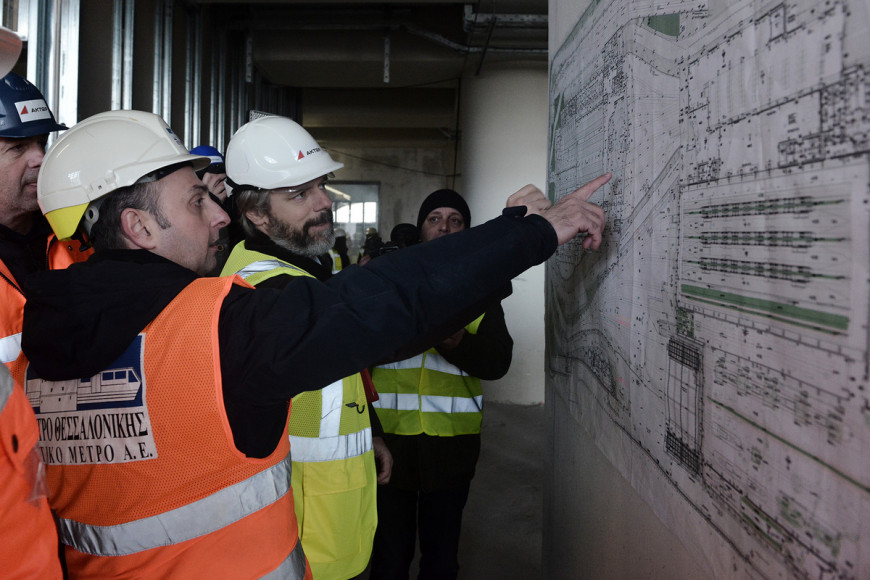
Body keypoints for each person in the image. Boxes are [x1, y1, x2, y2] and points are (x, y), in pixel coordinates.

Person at [22, 109, 608, 578]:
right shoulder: (215, 329)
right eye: (197, 201)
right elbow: (383, 301)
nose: (219, 216)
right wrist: (528, 234)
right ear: (140, 227)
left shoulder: (36, 351)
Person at [220, 115, 391, 580]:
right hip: (302, 539)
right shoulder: (268, 293)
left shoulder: (302, 271)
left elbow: (332, 373)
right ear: (256, 214)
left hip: (330, 518)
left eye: (321, 186)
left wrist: (370, 430)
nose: (323, 203)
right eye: (299, 194)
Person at [368, 189, 512, 580]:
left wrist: (458, 343)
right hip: (389, 444)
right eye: (434, 219)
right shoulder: (391, 282)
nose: (444, 227)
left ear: (467, 231)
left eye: (455, 220)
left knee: (441, 558)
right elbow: (358, 354)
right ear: (420, 229)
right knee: (389, 558)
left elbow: (498, 362)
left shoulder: (482, 289)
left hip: (451, 446)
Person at [0, 25, 64, 579]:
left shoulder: (75, 244)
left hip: (83, 496)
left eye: (43, 143)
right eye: (17, 148)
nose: (40, 160)